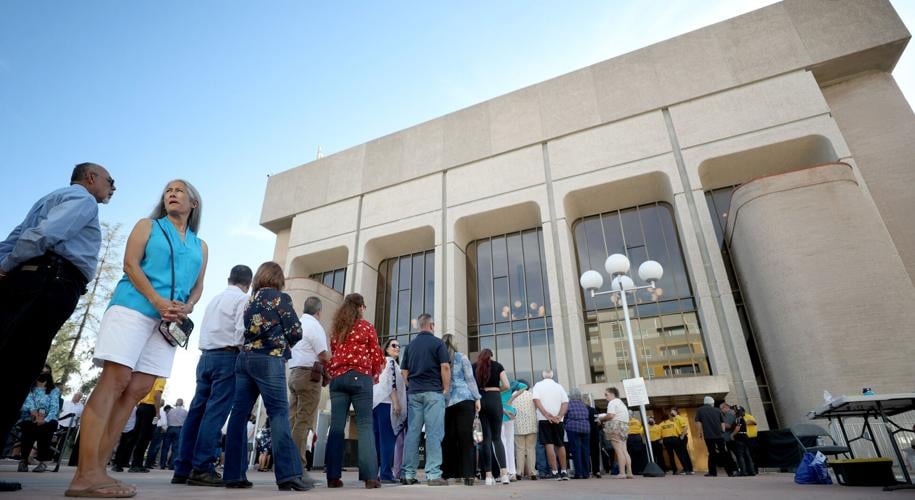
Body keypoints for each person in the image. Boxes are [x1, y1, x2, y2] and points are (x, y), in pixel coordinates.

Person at [67, 178, 206, 498]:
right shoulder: (148, 226)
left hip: (168, 323)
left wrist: (189, 305)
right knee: (114, 381)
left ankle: (99, 472)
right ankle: (84, 474)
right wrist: (157, 301)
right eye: (168, 190)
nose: (171, 194)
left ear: (193, 204)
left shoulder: (201, 246)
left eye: (179, 190)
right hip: (133, 308)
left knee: (137, 390)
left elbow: (197, 287)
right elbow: (130, 265)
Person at [0, 163, 115, 493]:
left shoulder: (48, 199)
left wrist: (5, 268)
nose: (112, 189)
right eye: (110, 182)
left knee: (8, 362)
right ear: (90, 178)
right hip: (50, 281)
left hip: (27, 278)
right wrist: (9, 266)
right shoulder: (83, 201)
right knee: (18, 369)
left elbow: (15, 237)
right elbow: (44, 235)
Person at [222, 262, 307, 491]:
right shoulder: (280, 298)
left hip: (245, 358)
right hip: (270, 358)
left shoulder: (250, 300)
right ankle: (287, 475)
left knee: (238, 415)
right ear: (278, 278)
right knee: (279, 413)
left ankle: (232, 475)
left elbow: (241, 330)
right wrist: (282, 342)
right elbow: (295, 331)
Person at [172, 264, 252, 486]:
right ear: (248, 283)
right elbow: (240, 332)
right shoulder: (243, 299)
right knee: (215, 413)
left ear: (229, 278)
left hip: (205, 356)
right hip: (227, 357)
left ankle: (182, 467)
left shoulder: (214, 299)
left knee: (196, 411)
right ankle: (203, 467)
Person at [324, 293, 385, 489]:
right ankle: (370, 477)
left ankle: (332, 476)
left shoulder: (337, 329)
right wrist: (374, 374)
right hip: (360, 377)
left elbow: (333, 353)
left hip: (338, 378)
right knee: (365, 425)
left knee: (336, 426)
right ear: (360, 307)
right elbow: (376, 355)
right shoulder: (366, 327)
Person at [400, 313, 450, 487]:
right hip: (433, 392)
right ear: (432, 325)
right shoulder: (438, 343)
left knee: (413, 433)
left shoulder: (410, 346)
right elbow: (445, 366)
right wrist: (445, 388)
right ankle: (433, 474)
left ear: (419, 326)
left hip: (414, 393)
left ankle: (408, 474)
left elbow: (404, 372)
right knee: (434, 433)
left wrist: (410, 385)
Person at [288, 295, 329, 484]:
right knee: (304, 422)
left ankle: (287, 465)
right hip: (308, 375)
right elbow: (323, 355)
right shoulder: (315, 326)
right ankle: (298, 469)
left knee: (293, 420)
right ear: (319, 312)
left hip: (294, 372)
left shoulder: (297, 323)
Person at [440, 334, 480, 486]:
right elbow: (470, 379)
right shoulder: (462, 357)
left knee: (449, 439)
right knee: (466, 439)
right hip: (465, 399)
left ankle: (449, 473)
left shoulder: (440, 359)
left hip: (447, 402)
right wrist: (477, 398)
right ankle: (468, 475)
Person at [473, 348, 510, 485]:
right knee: (497, 438)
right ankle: (504, 474)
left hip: (481, 399)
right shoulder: (498, 365)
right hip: (495, 399)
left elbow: (472, 385)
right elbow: (506, 385)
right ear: (491, 356)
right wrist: (497, 390)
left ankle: (488, 476)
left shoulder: (475, 366)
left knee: (485, 440)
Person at [373, 338, 407, 483]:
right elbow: (391, 383)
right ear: (386, 348)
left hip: (376, 404)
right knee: (387, 440)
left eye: (399, 346)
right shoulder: (391, 362)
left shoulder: (381, 362)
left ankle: (374, 473)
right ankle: (386, 473)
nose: (397, 348)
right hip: (386, 403)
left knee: (378, 441)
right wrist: (396, 402)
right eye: (394, 345)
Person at [17, 373, 61, 473]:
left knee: (47, 427)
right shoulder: (29, 388)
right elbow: (27, 404)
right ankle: (23, 460)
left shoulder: (54, 390)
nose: (43, 375)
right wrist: (35, 415)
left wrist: (45, 419)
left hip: (49, 418)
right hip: (30, 417)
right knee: (28, 426)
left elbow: (55, 408)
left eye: (46, 372)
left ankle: (43, 462)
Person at [532, 369, 570, 480]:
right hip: (558, 420)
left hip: (544, 419)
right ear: (552, 376)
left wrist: (545, 413)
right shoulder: (559, 386)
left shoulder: (538, 385)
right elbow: (565, 402)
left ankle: (554, 472)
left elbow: (536, 400)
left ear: (543, 376)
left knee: (549, 444)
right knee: (560, 444)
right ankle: (563, 471)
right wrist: (559, 415)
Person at [127, 378, 165, 473]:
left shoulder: (149, 378)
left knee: (137, 435)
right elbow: (157, 395)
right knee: (145, 436)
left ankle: (130, 462)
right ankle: (137, 464)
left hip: (141, 407)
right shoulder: (160, 379)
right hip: (150, 409)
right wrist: (157, 412)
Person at [695, 396, 736, 477]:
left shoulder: (699, 410)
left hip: (708, 436)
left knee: (711, 453)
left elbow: (698, 422)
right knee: (724, 452)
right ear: (712, 403)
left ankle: (713, 472)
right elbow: (722, 422)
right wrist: (723, 431)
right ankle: (730, 472)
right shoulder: (717, 410)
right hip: (719, 435)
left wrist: (699, 432)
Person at [598, 386, 633, 479]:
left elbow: (611, 415)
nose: (605, 397)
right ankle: (629, 472)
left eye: (606, 394)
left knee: (618, 450)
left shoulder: (612, 402)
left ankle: (622, 473)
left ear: (612, 394)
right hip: (624, 426)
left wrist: (601, 418)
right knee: (624, 450)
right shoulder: (621, 403)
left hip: (615, 426)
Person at [500, 375, 527, 481]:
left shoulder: (497, 383)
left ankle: (505, 471)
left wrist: (504, 409)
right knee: (510, 443)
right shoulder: (510, 382)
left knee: (502, 442)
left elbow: (495, 399)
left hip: (501, 411)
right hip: (510, 411)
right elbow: (525, 386)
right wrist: (511, 399)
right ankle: (513, 472)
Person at [513, 381, 538, 480]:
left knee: (520, 449)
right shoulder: (531, 395)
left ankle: (519, 472)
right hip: (531, 425)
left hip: (518, 426)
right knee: (531, 449)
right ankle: (532, 472)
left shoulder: (513, 395)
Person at [564, 388, 591, 479]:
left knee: (576, 451)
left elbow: (565, 416)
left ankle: (578, 473)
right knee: (585, 451)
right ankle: (586, 473)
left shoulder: (568, 405)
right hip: (585, 428)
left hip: (573, 428)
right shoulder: (584, 405)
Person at [160, 398, 187, 469]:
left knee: (165, 447)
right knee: (176, 448)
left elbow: (167, 419)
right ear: (182, 404)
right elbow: (186, 422)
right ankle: (172, 465)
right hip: (179, 429)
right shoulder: (185, 412)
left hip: (170, 428)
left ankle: (162, 464)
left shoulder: (171, 411)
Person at [730, 405, 756, 476]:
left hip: (739, 437)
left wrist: (732, 434)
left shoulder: (737, 418)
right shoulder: (742, 418)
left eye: (733, 410)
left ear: (736, 411)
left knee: (740, 455)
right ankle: (751, 471)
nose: (731, 411)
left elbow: (737, 428)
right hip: (745, 437)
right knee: (747, 455)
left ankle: (743, 471)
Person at [112, 407, 139, 473]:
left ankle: (117, 463)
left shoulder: (124, 406)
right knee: (126, 447)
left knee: (121, 446)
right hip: (130, 428)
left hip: (123, 427)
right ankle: (122, 463)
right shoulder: (134, 408)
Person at [669, 407, 693, 474]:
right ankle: (688, 469)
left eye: (672, 411)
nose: (671, 413)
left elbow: (685, 427)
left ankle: (687, 469)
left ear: (676, 411)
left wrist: (682, 436)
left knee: (683, 453)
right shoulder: (674, 419)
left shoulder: (678, 418)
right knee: (683, 453)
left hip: (681, 437)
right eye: (671, 411)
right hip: (679, 437)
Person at [144, 403, 168, 469]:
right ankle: (149, 463)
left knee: (150, 446)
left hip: (152, 427)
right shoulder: (162, 411)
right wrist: (164, 428)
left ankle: (148, 462)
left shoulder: (153, 410)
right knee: (154, 447)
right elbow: (164, 422)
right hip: (158, 429)